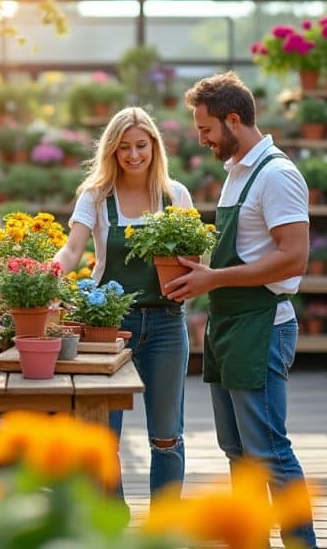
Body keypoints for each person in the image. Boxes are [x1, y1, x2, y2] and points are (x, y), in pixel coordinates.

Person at [164, 72, 318, 549]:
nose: (202, 138)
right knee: (236, 451)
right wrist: (203, 267)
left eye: (206, 128)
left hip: (263, 327)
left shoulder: (277, 174)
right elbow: (249, 253)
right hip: (231, 325)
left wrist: (214, 278)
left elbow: (293, 257)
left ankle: (302, 544)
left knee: (268, 450)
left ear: (234, 119)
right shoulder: (238, 173)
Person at [53, 106, 193, 505]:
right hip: (109, 328)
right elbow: (73, 249)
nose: (133, 155)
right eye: (124, 148)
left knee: (167, 435)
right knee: (103, 436)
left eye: (141, 146)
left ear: (155, 146)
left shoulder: (174, 195)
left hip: (166, 325)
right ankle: (113, 523)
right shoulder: (96, 196)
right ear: (112, 151)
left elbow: (193, 257)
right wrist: (48, 272)